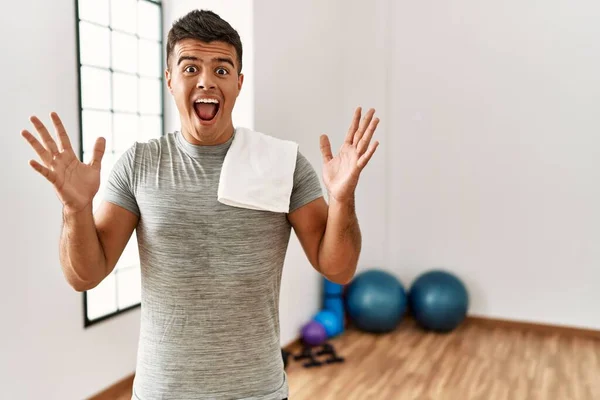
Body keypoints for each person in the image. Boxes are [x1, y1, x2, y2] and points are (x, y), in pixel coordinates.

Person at [21, 9, 379, 400]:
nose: (206, 80)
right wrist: (75, 211)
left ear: (239, 83)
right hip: (162, 392)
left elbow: (339, 269)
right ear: (170, 80)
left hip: (257, 391)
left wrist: (342, 199)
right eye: (190, 68)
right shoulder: (140, 164)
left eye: (222, 70)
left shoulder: (283, 164)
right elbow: (84, 276)